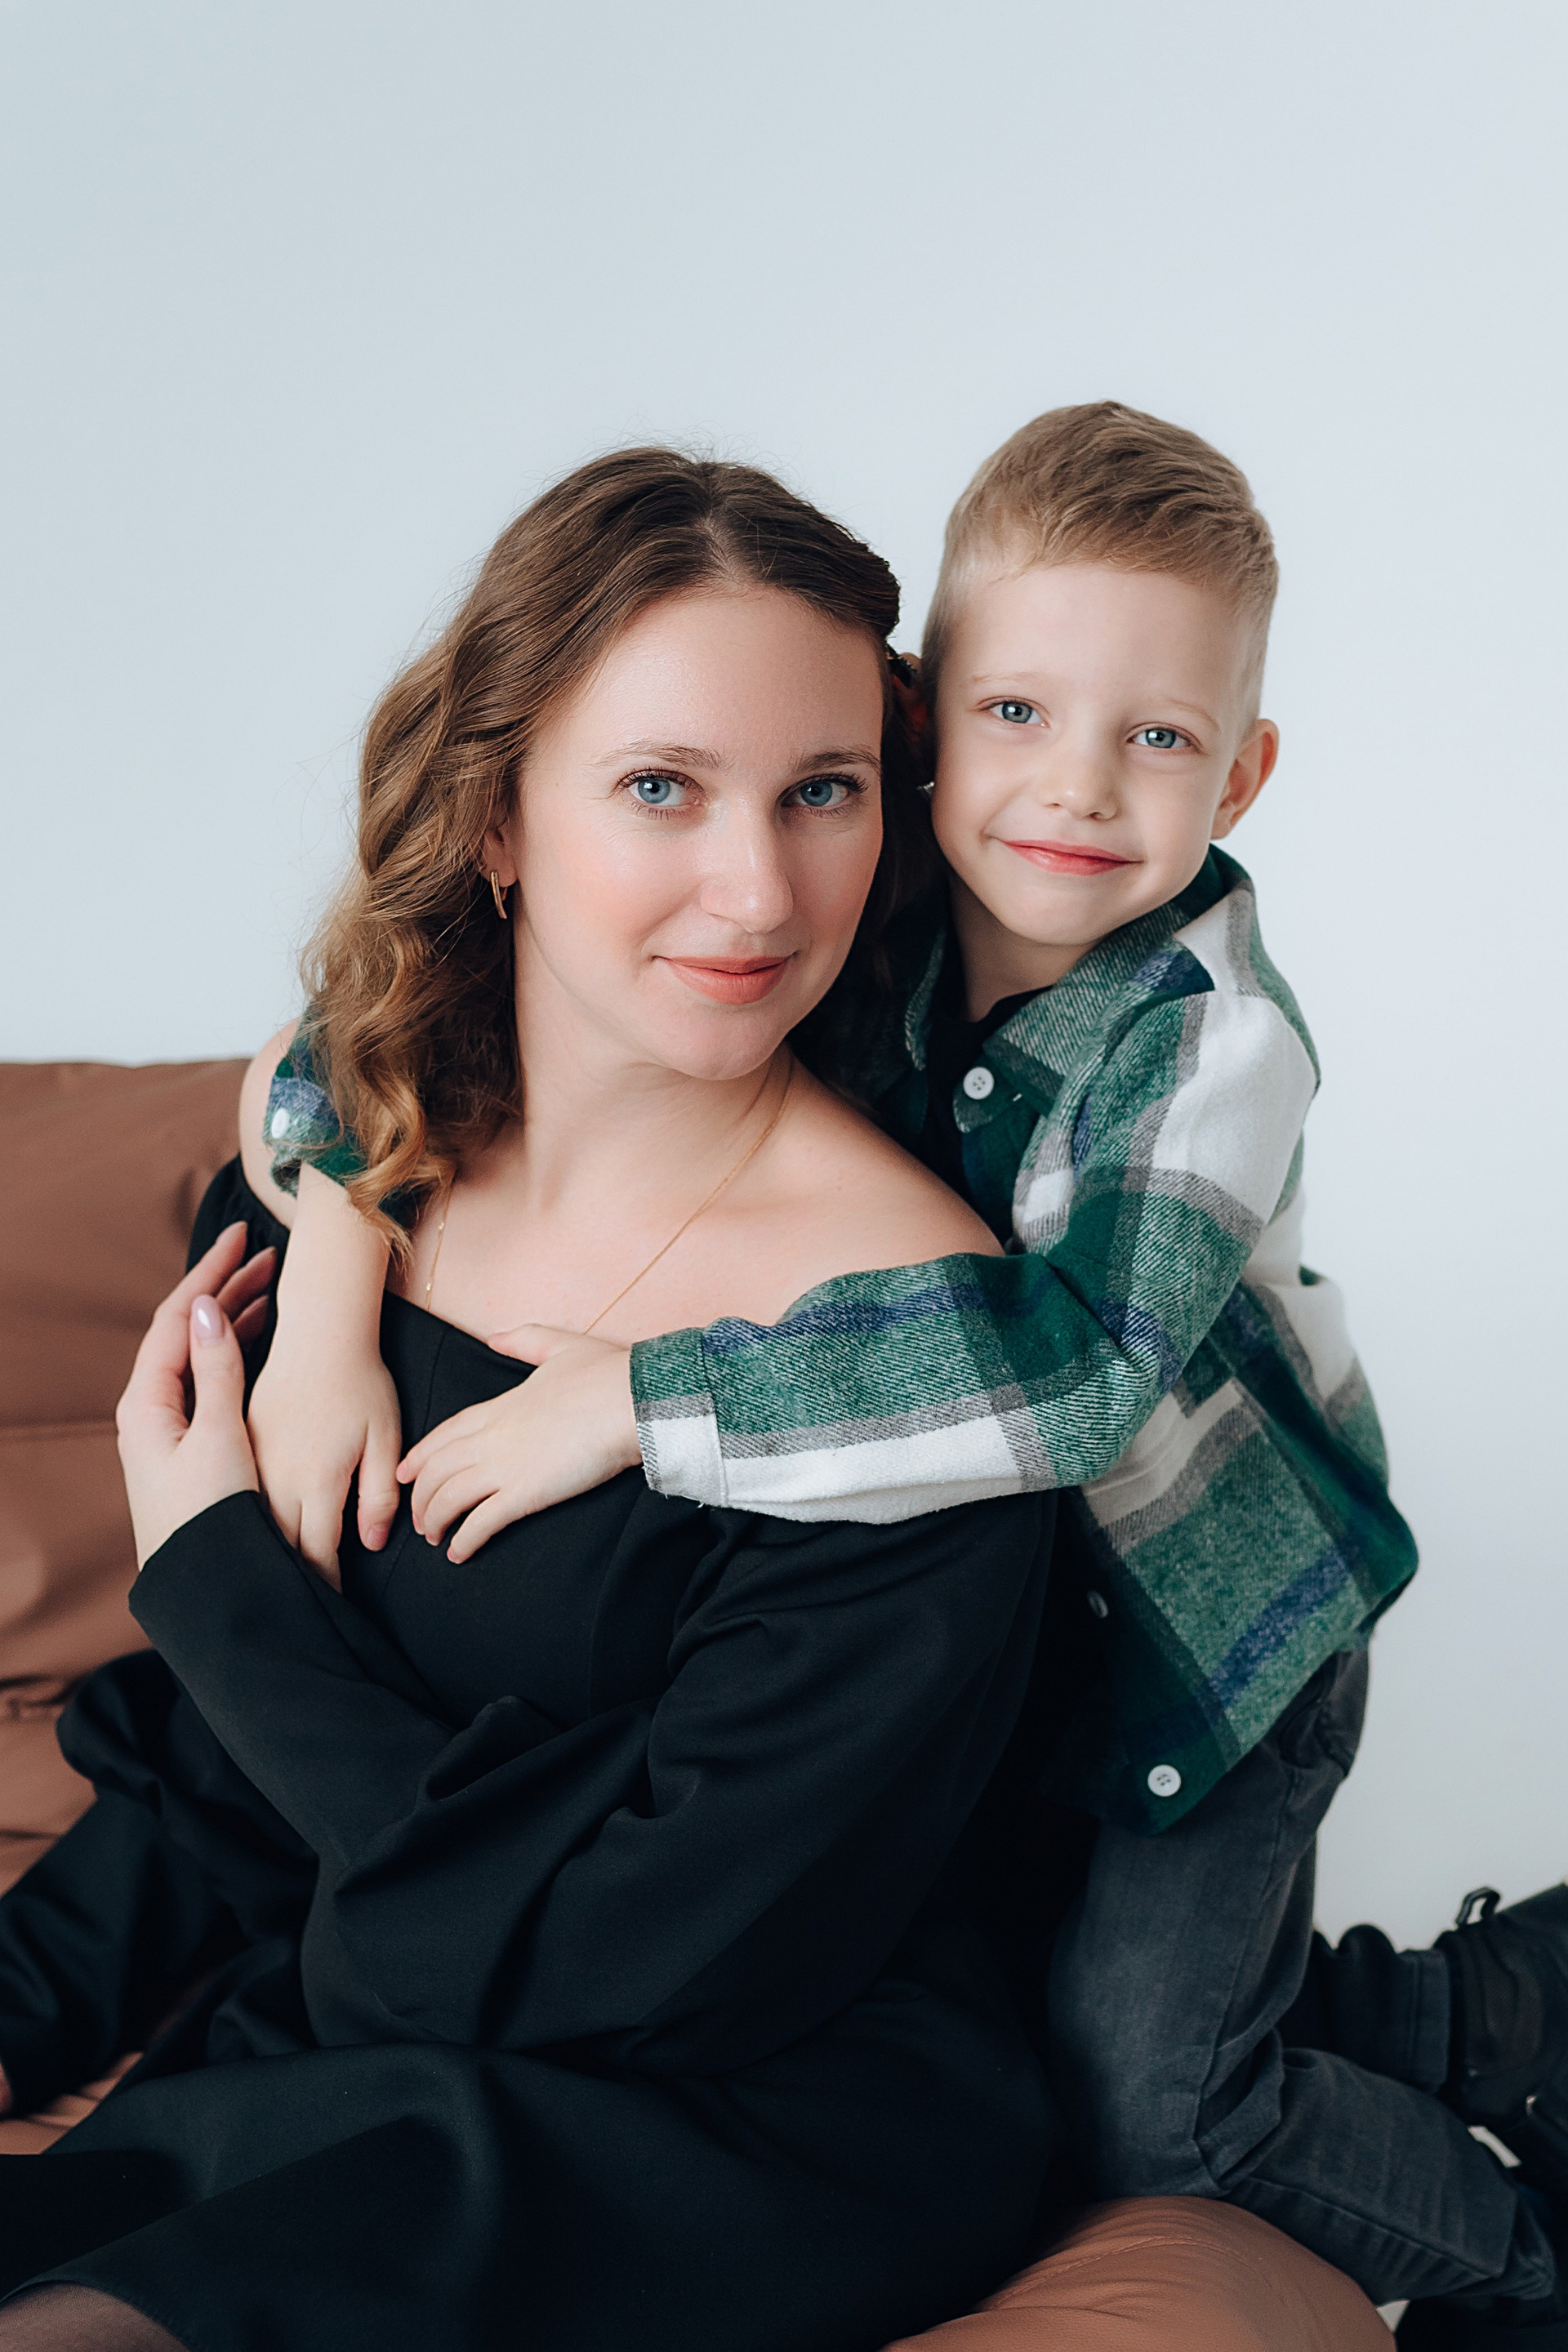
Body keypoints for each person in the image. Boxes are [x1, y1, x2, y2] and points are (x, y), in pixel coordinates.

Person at [253, 407, 1568, 2340]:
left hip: (1200, 1639)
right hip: (989, 1616)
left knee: (1153, 2105)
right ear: (924, 726)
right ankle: (1480, 2010)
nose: (1076, 792)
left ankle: (1518, 2264)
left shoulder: (1210, 1042)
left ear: (1245, 772)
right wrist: (324, 1299)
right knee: (1010, 1980)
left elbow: (1080, 1385)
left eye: (1160, 740)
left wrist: (638, 1396)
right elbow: (361, 1036)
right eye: (1017, 714)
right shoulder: (843, 888)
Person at [0, 453, 1063, 2351]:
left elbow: (650, 1963)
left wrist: (220, 1581)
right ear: (495, 817)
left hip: (724, 2117)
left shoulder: (910, 1360)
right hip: (362, 2034)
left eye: (823, 790)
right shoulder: (354, 1193)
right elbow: (229, 1771)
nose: (759, 890)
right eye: (662, 786)